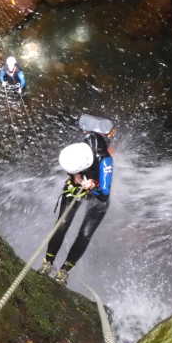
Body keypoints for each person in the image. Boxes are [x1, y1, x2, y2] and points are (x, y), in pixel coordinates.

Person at [39, 115, 116, 285]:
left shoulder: (105, 160)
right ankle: (48, 263)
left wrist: (92, 185)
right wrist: (76, 178)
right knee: (62, 224)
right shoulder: (78, 148)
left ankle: (64, 271)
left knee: (85, 233)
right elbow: (71, 165)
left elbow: (104, 193)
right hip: (79, 182)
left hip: (96, 190)